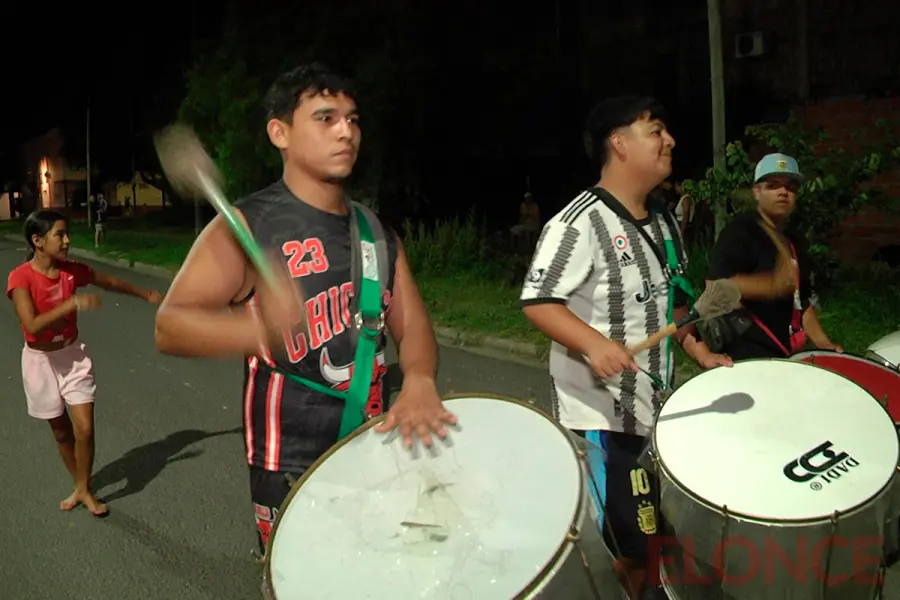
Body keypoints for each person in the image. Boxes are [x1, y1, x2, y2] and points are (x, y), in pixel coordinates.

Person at [153, 63, 456, 560]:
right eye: (325, 117)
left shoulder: (375, 232)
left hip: (373, 441)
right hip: (287, 460)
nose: (346, 131)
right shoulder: (251, 226)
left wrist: (420, 379)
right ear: (280, 133)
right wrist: (258, 330)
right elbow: (170, 326)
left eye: (353, 119)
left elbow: (414, 330)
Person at [520, 95, 731, 599]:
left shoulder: (663, 221)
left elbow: (672, 303)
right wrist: (593, 343)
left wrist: (699, 352)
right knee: (630, 549)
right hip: (603, 420)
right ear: (618, 143)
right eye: (655, 130)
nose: (669, 140)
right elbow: (538, 300)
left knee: (663, 537)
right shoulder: (578, 222)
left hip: (657, 411)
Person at [7, 210, 163, 517]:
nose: (67, 241)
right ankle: (81, 485)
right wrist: (72, 303)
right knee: (61, 431)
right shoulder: (20, 277)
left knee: (85, 429)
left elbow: (110, 281)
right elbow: (32, 324)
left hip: (72, 356)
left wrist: (144, 293)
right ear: (38, 241)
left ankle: (84, 488)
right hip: (40, 362)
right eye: (59, 235)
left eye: (67, 234)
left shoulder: (71, 271)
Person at [705, 153, 842, 360]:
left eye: (790, 187)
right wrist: (771, 286)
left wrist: (824, 344)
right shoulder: (740, 232)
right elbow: (714, 287)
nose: (783, 192)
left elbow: (801, 302)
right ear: (757, 192)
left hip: (785, 354)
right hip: (745, 355)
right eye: (773, 185)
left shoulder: (795, 241)